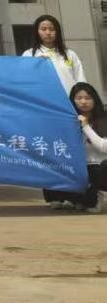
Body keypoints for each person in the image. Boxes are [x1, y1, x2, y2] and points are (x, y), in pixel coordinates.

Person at [43, 82, 107, 212]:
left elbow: (103, 147)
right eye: (79, 98)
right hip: (77, 168)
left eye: (88, 98)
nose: (83, 102)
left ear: (95, 100)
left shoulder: (104, 120)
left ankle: (97, 194)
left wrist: (86, 126)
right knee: (51, 166)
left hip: (99, 167)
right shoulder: (67, 121)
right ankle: (67, 198)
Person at [22, 14, 87, 94]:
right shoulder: (29, 55)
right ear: (37, 32)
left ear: (57, 32)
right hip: (43, 98)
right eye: (43, 29)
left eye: (52, 29)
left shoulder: (70, 54)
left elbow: (81, 80)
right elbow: (25, 81)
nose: (48, 32)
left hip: (69, 98)